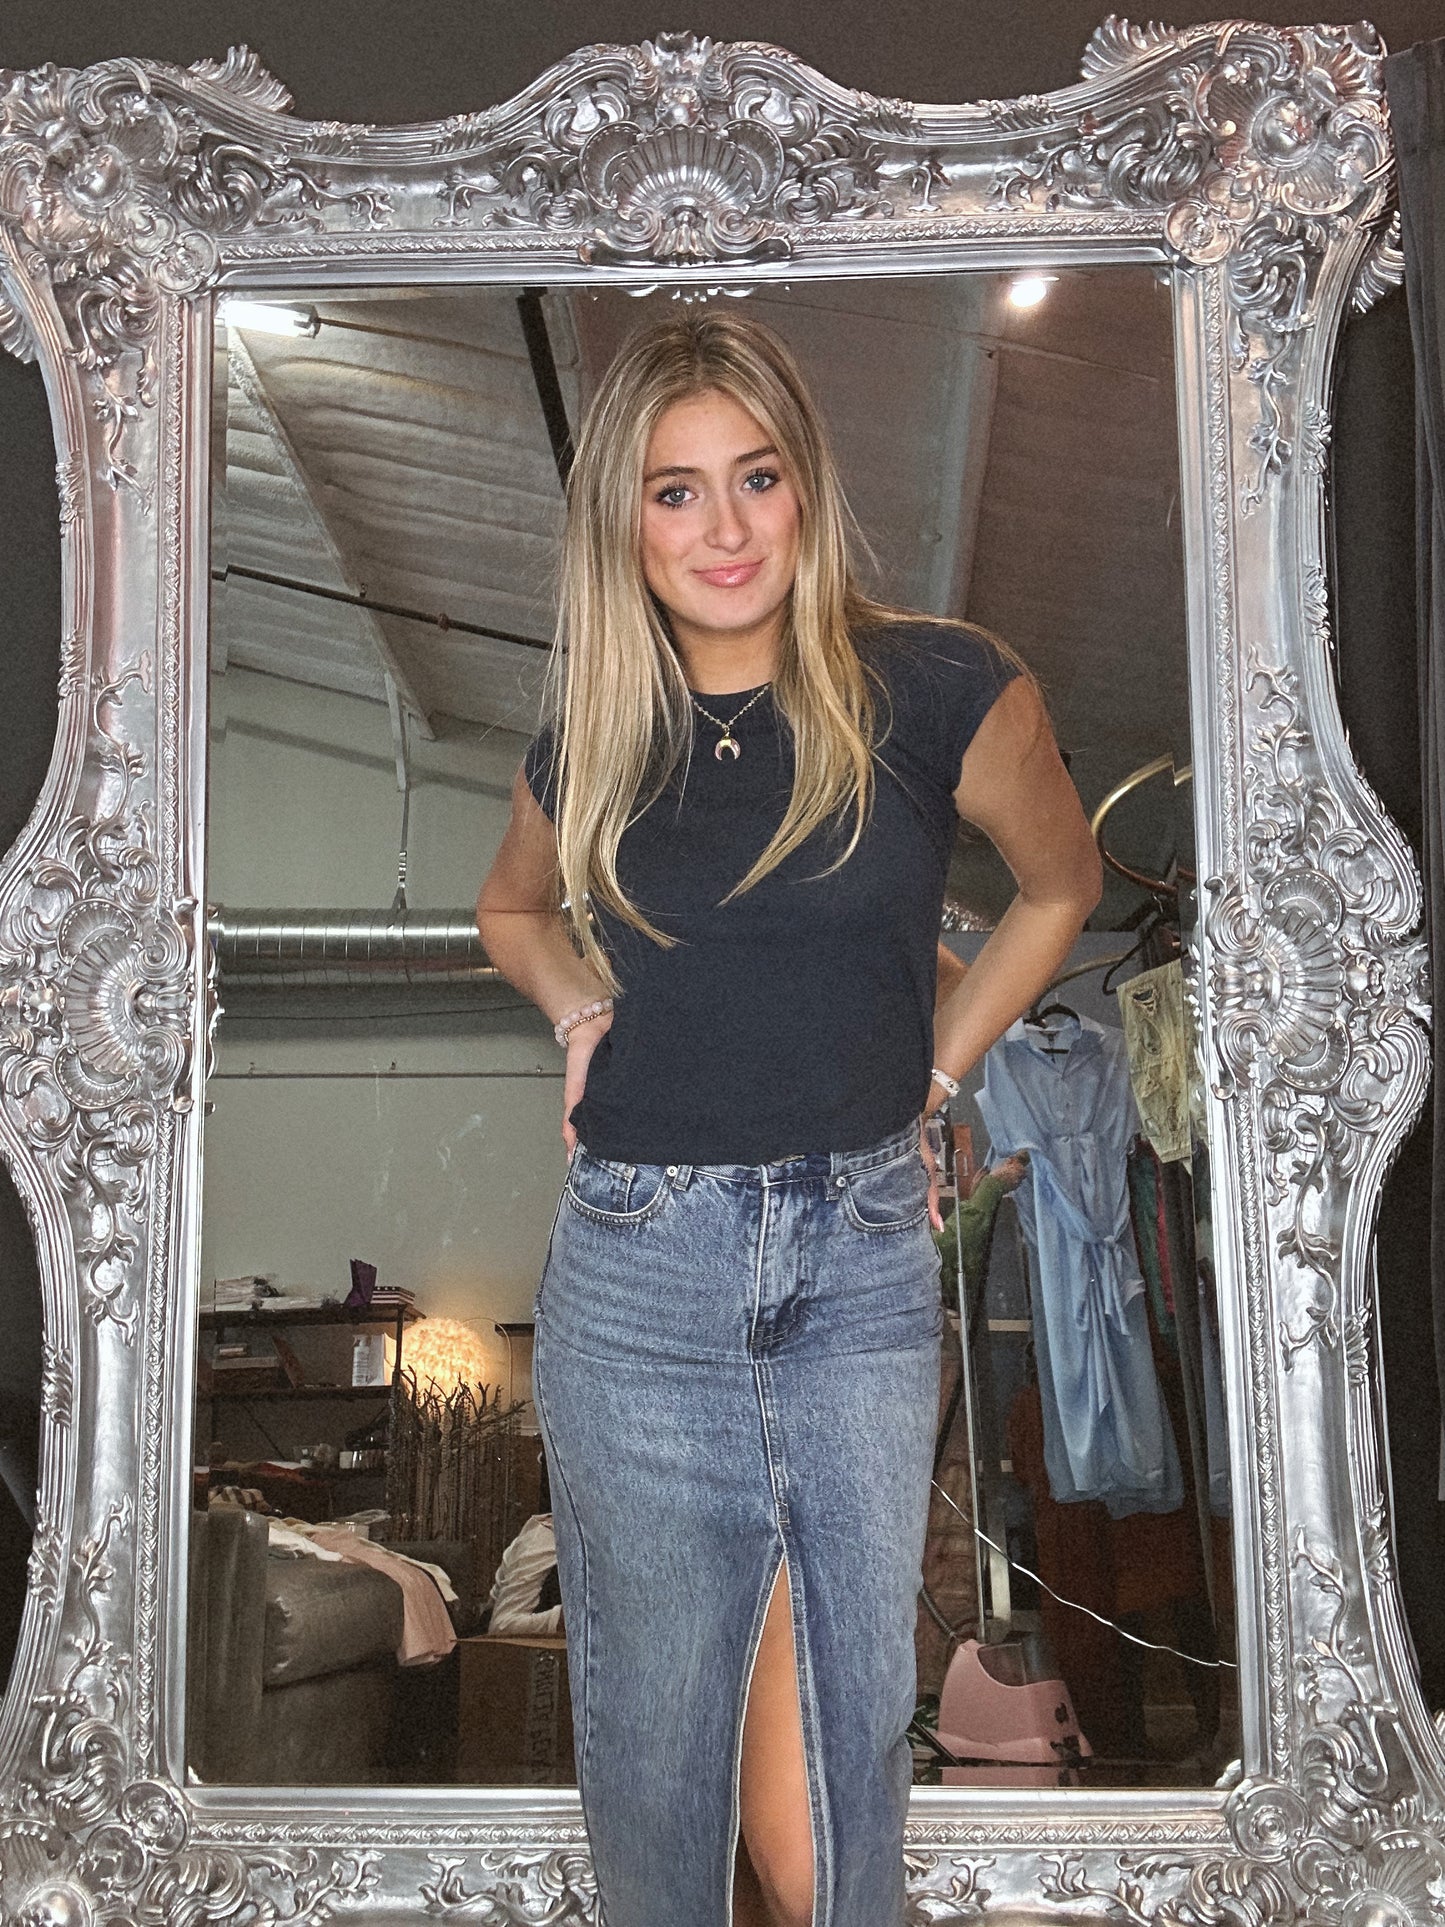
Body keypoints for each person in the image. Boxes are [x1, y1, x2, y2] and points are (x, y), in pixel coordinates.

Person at [475, 310, 1101, 1927]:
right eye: (675, 490)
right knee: (652, 1757)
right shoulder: (594, 736)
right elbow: (513, 913)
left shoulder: (940, 688)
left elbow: (1058, 888)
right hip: (634, 1274)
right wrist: (580, 1009)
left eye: (755, 478)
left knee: (842, 1759)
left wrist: (937, 1073)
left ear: (806, 486)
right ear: (623, 520)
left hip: (858, 1266)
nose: (725, 529)